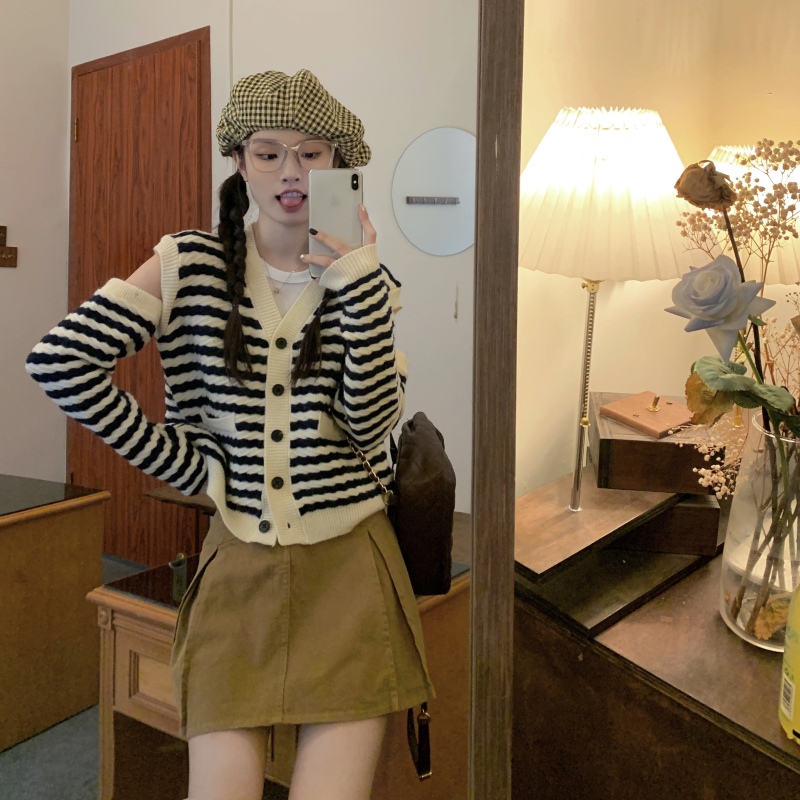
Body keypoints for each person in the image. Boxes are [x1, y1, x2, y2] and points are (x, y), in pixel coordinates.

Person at [26, 69, 433, 800]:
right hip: (239, 566)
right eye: (268, 153)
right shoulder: (189, 263)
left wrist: (357, 282)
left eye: (311, 154)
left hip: (350, 569)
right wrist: (192, 468)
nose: (290, 172)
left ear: (338, 165)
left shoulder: (369, 283)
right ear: (239, 161)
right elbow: (61, 363)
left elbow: (371, 424)